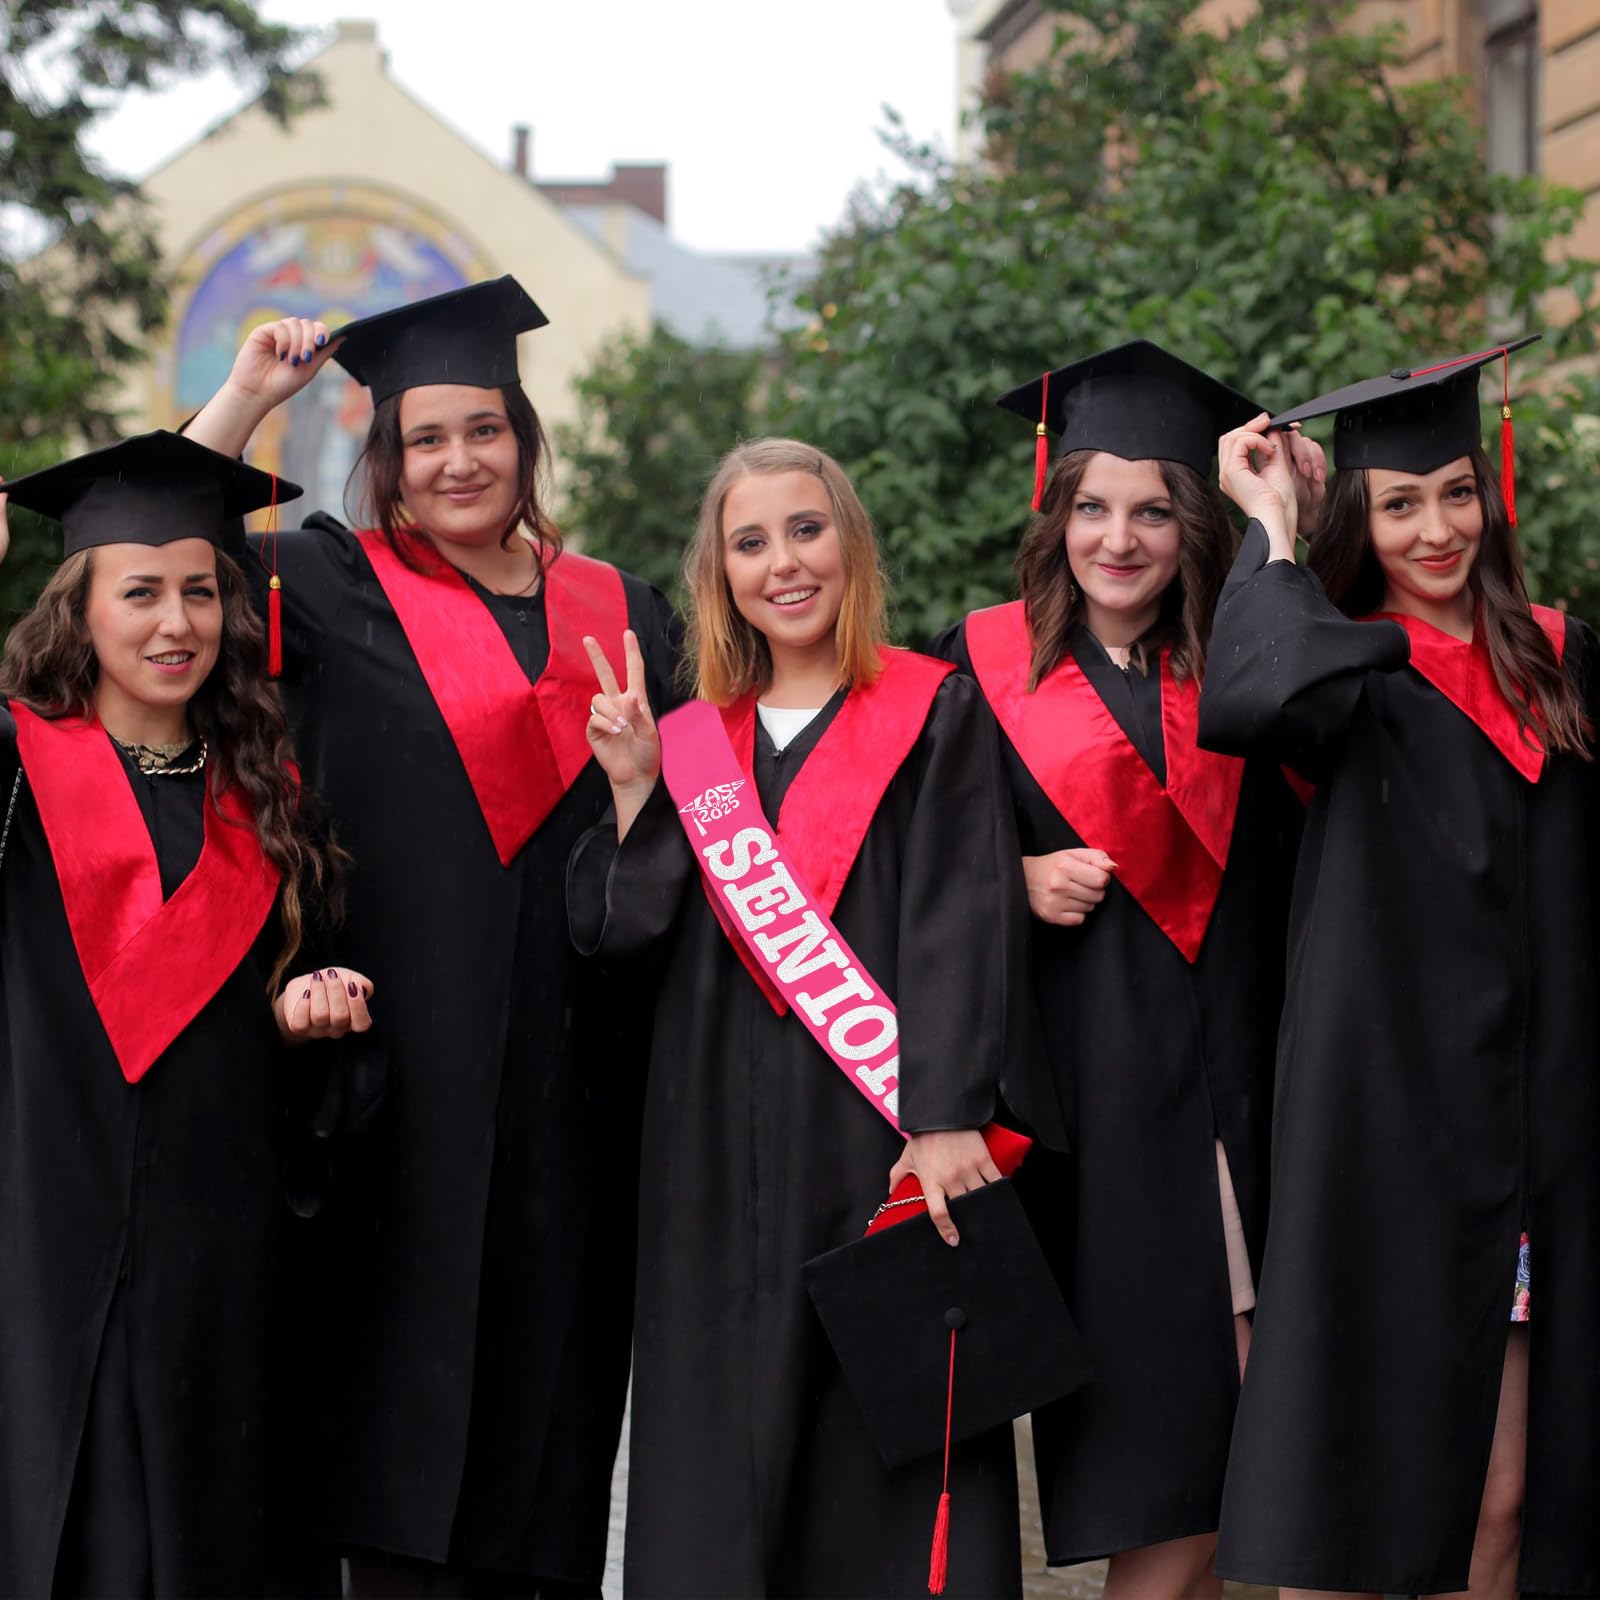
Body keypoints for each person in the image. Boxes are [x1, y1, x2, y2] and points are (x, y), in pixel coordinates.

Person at [183, 279, 679, 1596]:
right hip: (389, 1076)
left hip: (578, 1087)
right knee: (389, 1439)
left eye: (485, 431)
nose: (460, 462)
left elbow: (716, 806)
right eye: (426, 439)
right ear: (387, 460)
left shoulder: (621, 613)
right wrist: (246, 397)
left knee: (552, 1431)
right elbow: (176, 551)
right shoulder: (328, 586)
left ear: (525, 438)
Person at [567, 437, 1031, 1599]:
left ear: (850, 545)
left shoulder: (935, 715)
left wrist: (942, 1114)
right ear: (719, 574)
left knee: (879, 1444)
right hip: (708, 1150)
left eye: (806, 529)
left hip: (877, 1138)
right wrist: (631, 792)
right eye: (750, 541)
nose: (784, 562)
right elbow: (628, 939)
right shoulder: (688, 741)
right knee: (719, 1456)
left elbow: (962, 923)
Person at [1200, 342, 1600, 1600]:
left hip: (1536, 1141)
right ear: (1356, 521)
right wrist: (1272, 522)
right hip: (1387, 1145)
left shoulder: (1558, 658)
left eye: (1456, 492)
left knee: (1504, 1501)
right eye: (1398, 502)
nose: (1436, 528)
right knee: (1359, 1494)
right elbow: (1243, 693)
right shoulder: (1337, 670)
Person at [930, 341, 1309, 1598]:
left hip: (1244, 1093)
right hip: (1088, 1119)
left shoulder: (1244, 663)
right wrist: (1012, 881)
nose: (1120, 538)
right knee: (1169, 1451)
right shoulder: (973, 671)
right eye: (1092, 506)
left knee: (1245, 1441)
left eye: (1153, 509)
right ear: (1056, 512)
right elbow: (898, 873)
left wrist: (1281, 521)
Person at [0, 432, 370, 1598]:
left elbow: (299, 1055)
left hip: (226, 1252)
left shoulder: (269, 795)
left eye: (200, 591)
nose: (176, 622)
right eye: (141, 592)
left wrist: (312, 1024)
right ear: (81, 609)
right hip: (46, 1241)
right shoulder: (16, 767)